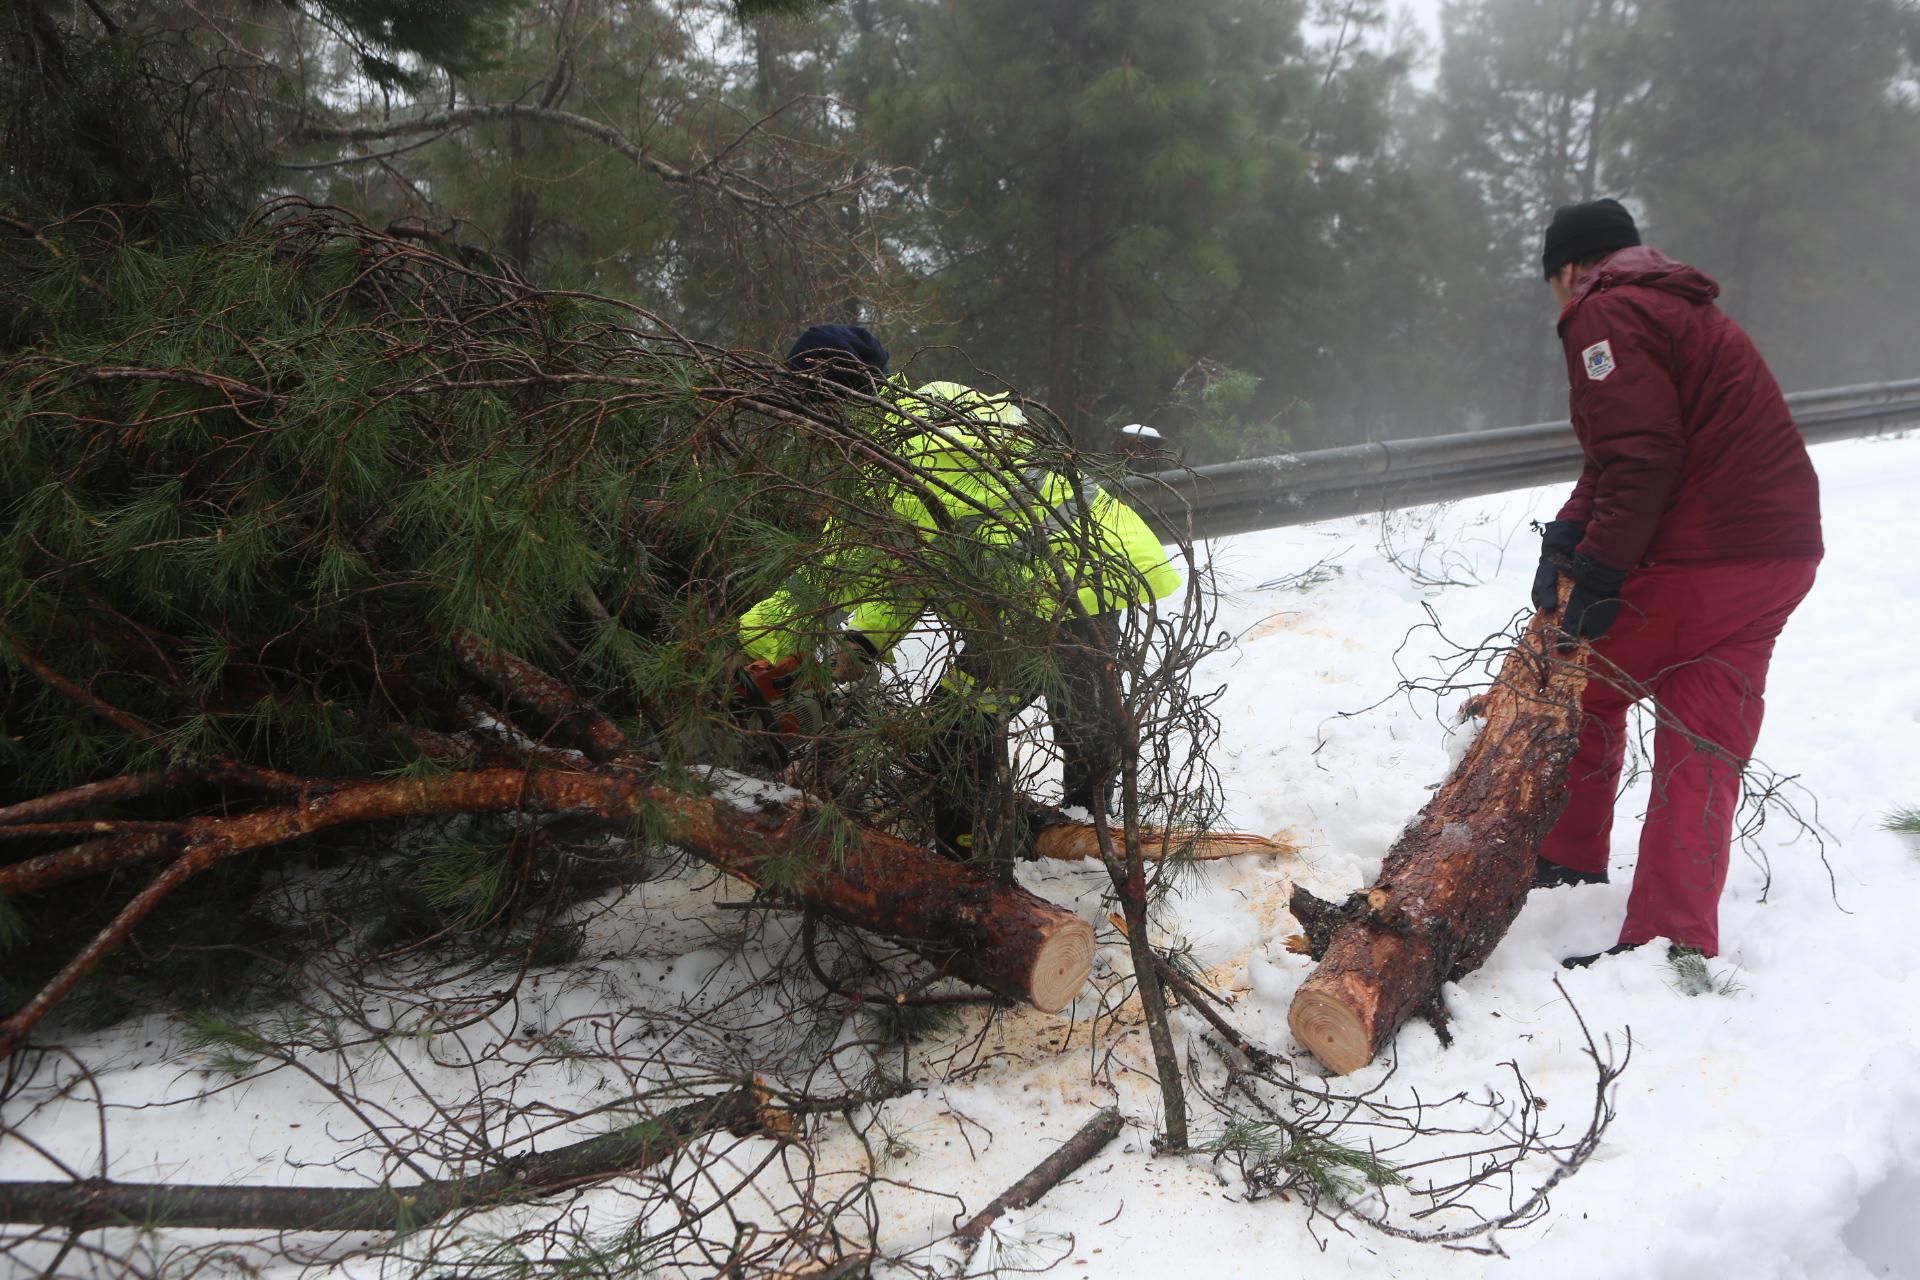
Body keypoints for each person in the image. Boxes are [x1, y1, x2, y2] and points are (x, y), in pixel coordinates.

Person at [739, 324, 1182, 859]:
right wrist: (865, 643)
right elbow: (917, 564)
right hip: (1102, 562)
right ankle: (1092, 837)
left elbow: (835, 570)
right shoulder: (939, 402)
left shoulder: (890, 455)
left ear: (829, 398)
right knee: (1081, 714)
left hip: (1048, 589)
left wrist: (756, 643)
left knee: (957, 724)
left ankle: (969, 857)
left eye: (808, 407)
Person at [1526, 198, 1823, 965]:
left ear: (1569, 268)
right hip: (1778, 550)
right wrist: (1569, 533)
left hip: (1705, 550)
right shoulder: (1674, 307)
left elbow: (1642, 455)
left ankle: (1566, 856)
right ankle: (1671, 937)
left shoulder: (1603, 311)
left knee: (1582, 680)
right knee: (1700, 734)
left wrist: (1598, 573)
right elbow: (1621, 455)